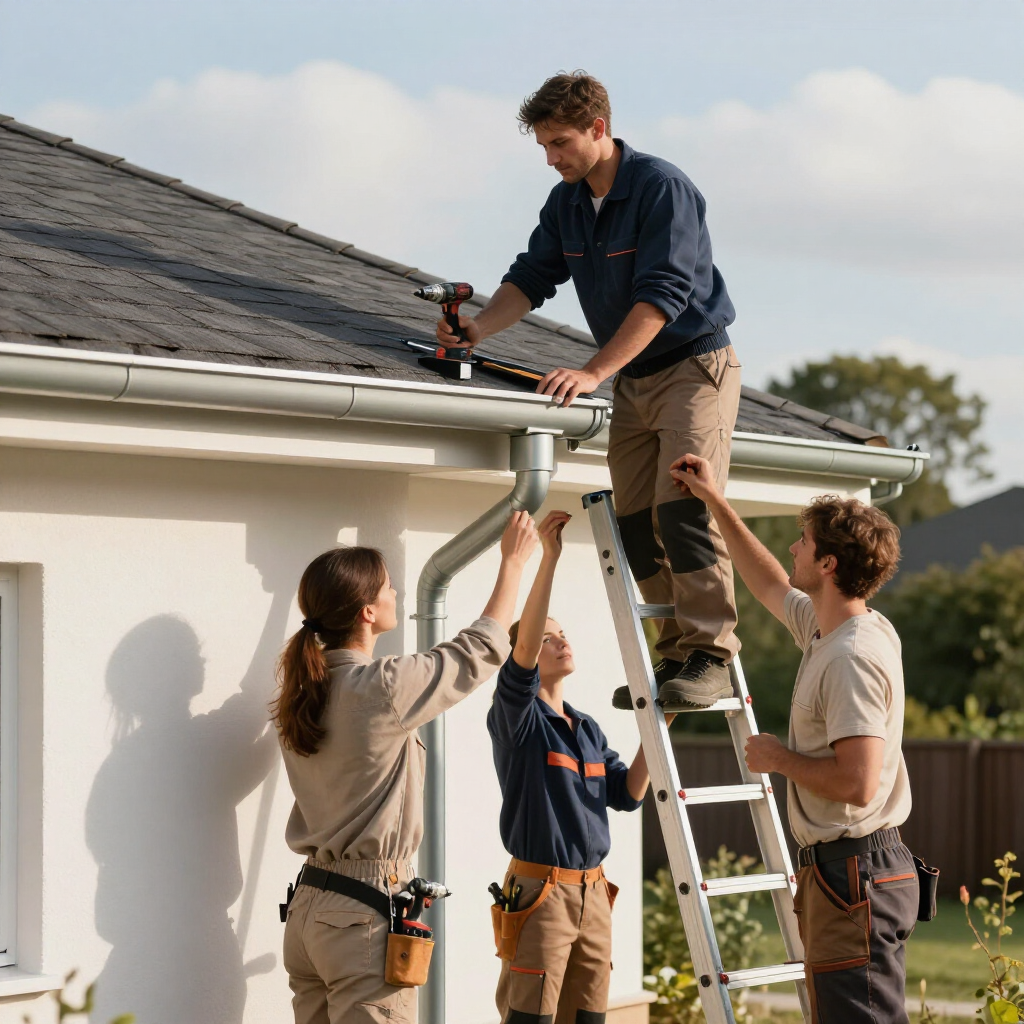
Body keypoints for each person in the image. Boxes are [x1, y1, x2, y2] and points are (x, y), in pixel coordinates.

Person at [436, 71, 742, 709]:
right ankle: (677, 656)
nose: (551, 159)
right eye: (543, 147)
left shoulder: (662, 188)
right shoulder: (566, 203)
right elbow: (533, 276)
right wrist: (476, 330)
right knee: (633, 520)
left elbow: (663, 297)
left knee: (683, 506)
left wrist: (593, 372)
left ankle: (712, 652)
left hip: (693, 366)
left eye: (560, 143)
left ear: (598, 129)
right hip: (636, 376)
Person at [669, 453, 917, 1024]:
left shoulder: (852, 656)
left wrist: (780, 759)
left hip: (854, 875)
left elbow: (856, 784)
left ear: (828, 564)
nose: (793, 549)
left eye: (802, 543)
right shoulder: (840, 627)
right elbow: (770, 585)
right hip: (850, 871)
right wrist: (715, 502)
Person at [272, 512, 538, 1024]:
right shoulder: (380, 688)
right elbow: (478, 650)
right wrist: (512, 562)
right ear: (368, 612)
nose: (397, 593)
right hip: (360, 920)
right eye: (390, 587)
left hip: (309, 912)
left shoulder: (298, 695)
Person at [487, 510, 669, 1024]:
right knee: (532, 1019)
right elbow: (520, 653)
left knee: (589, 1018)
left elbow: (629, 793)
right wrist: (550, 558)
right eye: (547, 638)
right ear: (523, 654)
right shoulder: (517, 720)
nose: (561, 641)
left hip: (595, 892)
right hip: (540, 893)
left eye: (563, 633)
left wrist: (664, 718)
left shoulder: (586, 728)